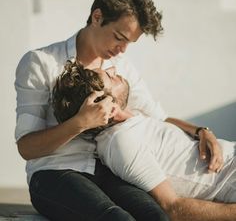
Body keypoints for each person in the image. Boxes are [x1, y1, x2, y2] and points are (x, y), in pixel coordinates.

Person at [15, 0, 222, 221]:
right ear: (97, 16)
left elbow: (159, 118)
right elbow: (26, 148)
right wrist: (80, 123)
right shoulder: (40, 63)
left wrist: (201, 131)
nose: (122, 50)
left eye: (128, 43)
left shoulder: (121, 70)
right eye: (118, 37)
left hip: (109, 173)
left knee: (157, 217)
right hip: (54, 173)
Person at [52, 60, 236, 221]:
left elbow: (164, 120)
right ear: (109, 108)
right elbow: (172, 208)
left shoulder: (130, 117)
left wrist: (202, 131)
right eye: (110, 76)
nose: (115, 69)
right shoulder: (121, 142)